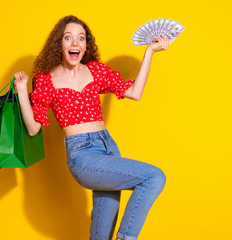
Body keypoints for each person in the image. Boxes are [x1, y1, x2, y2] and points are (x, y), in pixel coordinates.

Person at [14, 15, 169, 240]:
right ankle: (126, 237)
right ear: (59, 44)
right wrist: (21, 90)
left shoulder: (96, 71)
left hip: (108, 147)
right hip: (83, 156)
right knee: (154, 177)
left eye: (81, 38)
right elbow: (32, 128)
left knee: (103, 226)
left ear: (86, 45)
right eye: (68, 38)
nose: (75, 43)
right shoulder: (46, 80)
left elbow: (134, 93)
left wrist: (149, 53)